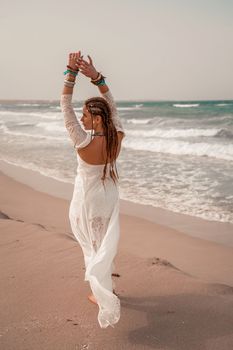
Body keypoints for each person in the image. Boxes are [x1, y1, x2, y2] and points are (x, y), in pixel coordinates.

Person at [60, 50, 125, 329]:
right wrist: (96, 77)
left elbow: (65, 105)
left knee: (92, 246)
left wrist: (71, 73)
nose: (83, 119)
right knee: (104, 244)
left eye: (86, 115)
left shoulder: (81, 141)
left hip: (86, 202)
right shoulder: (117, 135)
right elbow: (111, 103)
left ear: (96, 119)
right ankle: (105, 286)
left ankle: (102, 293)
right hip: (108, 198)